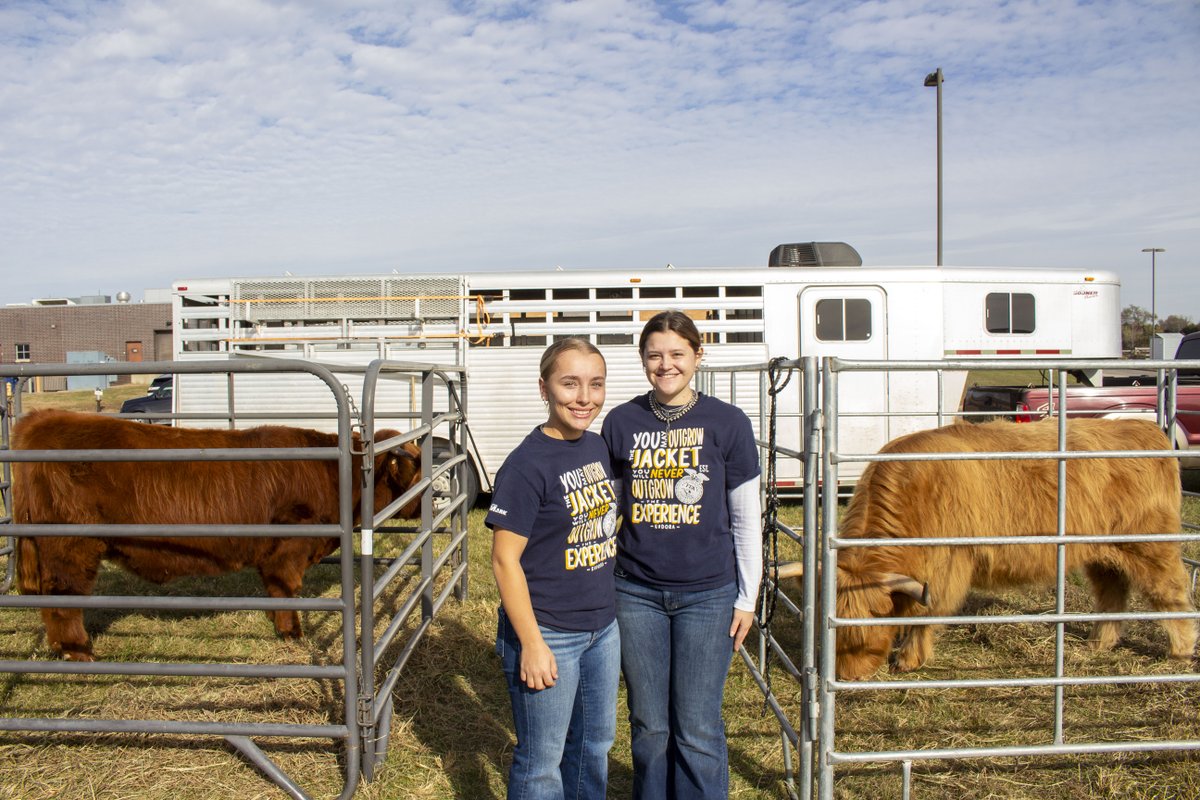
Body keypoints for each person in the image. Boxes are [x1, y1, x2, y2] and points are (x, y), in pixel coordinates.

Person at [601, 310, 763, 800]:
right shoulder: (621, 421)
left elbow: (745, 517)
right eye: (654, 355)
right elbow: (606, 515)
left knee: (696, 725)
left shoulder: (728, 422)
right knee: (649, 724)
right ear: (643, 360)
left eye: (676, 353)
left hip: (708, 595)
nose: (665, 364)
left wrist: (747, 597)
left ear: (698, 354)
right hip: (636, 593)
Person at [488, 337, 622, 800]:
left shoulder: (597, 448)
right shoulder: (527, 466)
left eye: (595, 384)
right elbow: (504, 561)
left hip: (602, 628)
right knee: (541, 762)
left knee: (594, 745)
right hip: (550, 632)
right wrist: (531, 643)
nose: (584, 398)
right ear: (544, 389)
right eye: (569, 384)